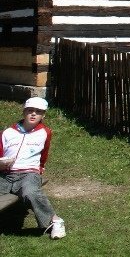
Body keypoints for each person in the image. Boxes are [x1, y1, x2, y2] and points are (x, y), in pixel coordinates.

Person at [0, 97, 66, 239]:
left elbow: (44, 154)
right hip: (5, 174)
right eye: (30, 110)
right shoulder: (8, 132)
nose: (34, 114)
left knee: (30, 192)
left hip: (28, 173)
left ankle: (55, 221)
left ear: (43, 115)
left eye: (38, 112)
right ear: (24, 112)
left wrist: (40, 168)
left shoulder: (45, 132)